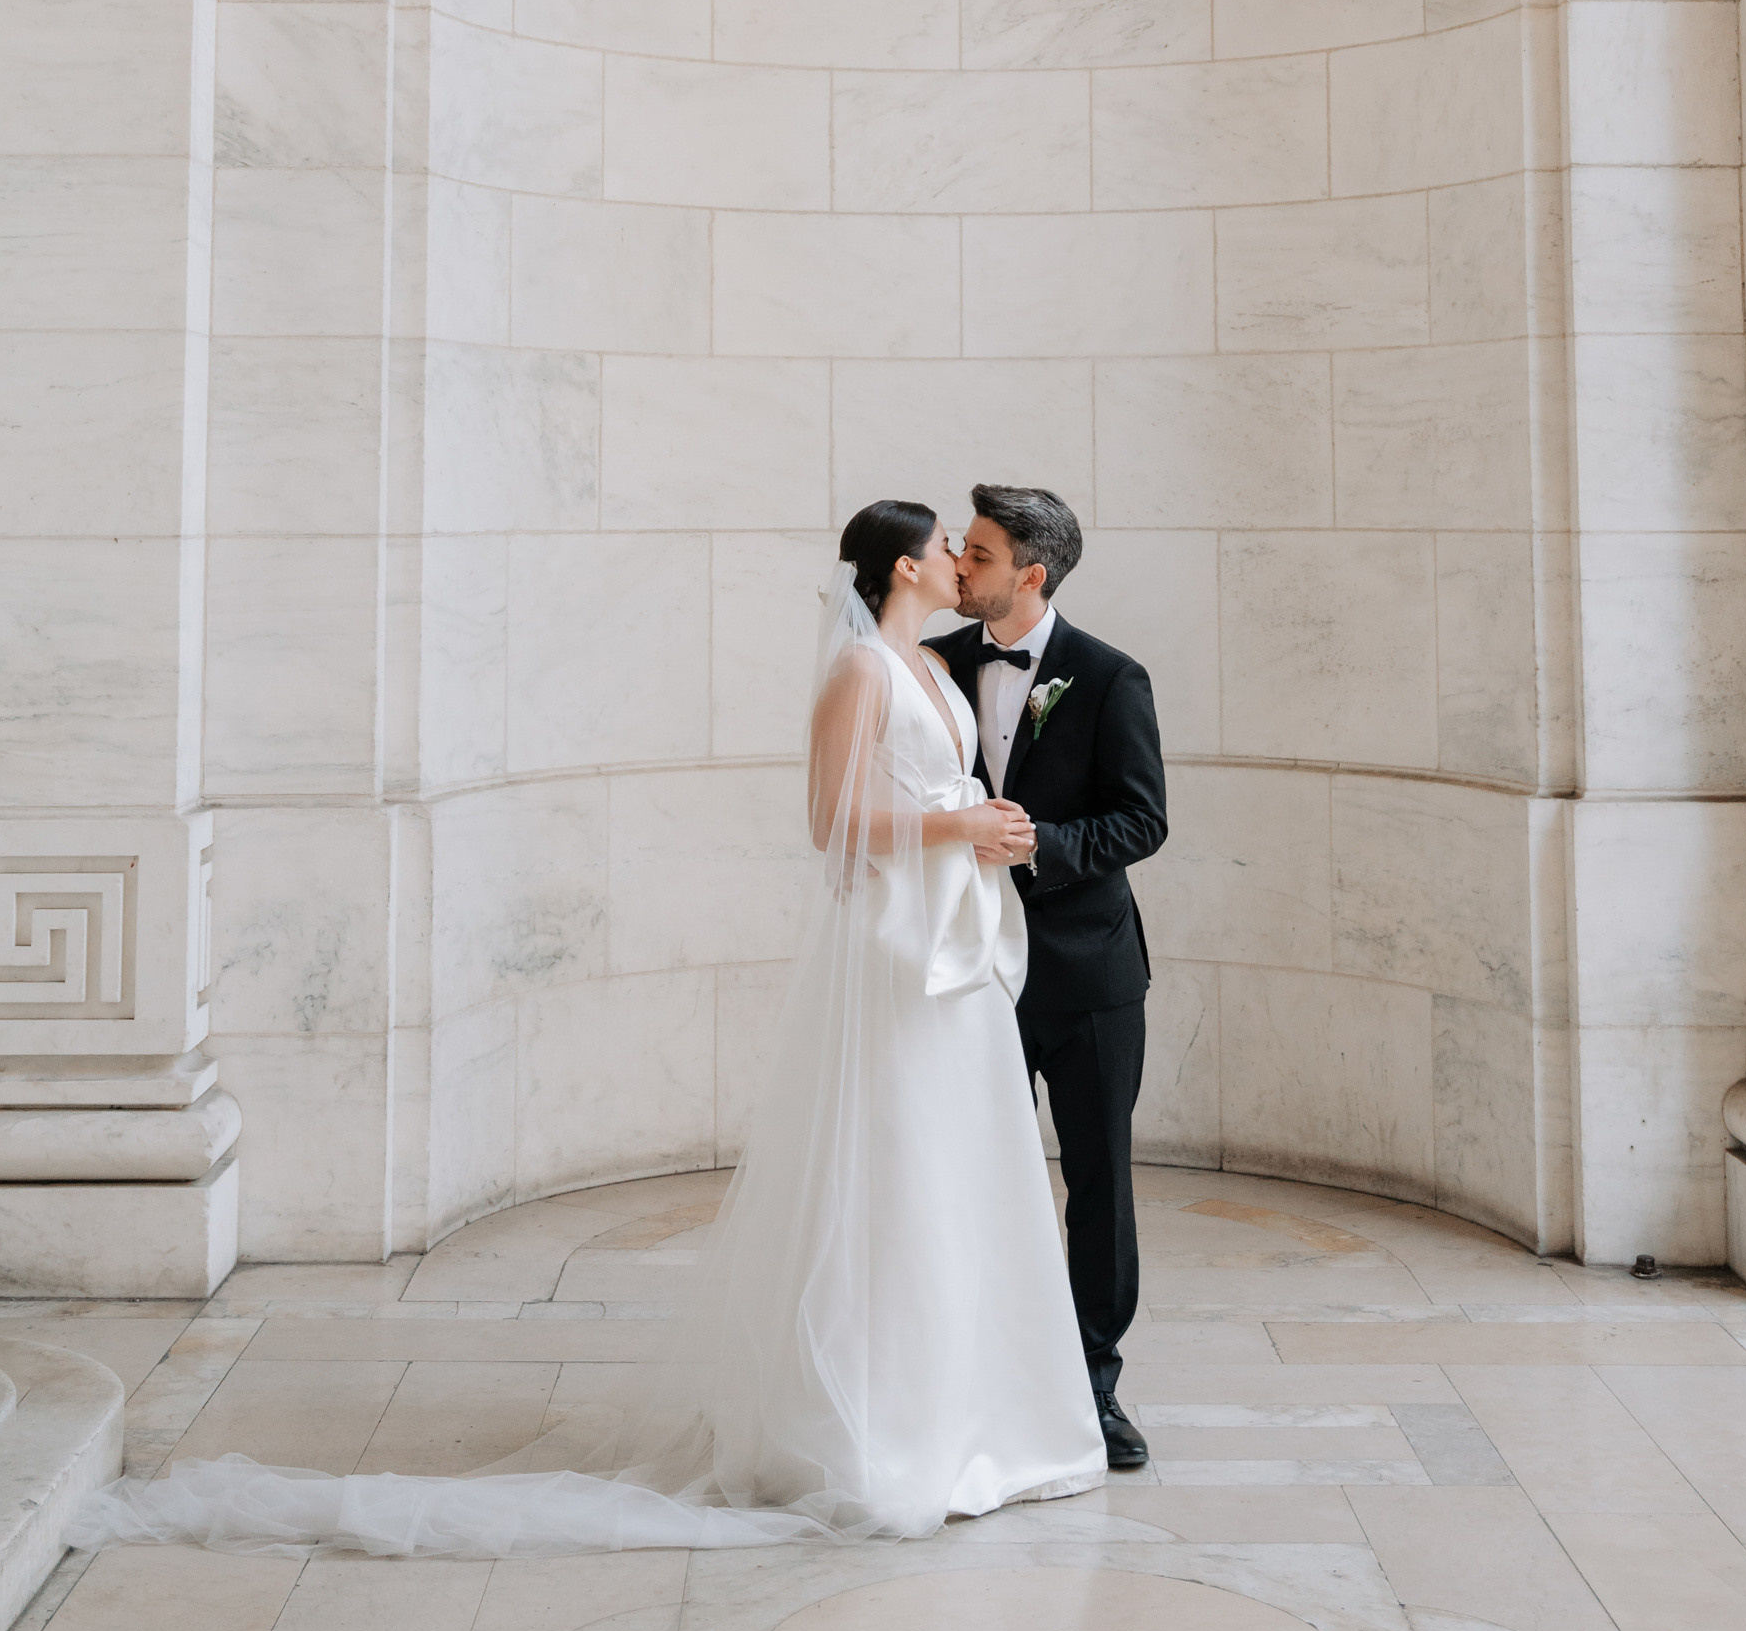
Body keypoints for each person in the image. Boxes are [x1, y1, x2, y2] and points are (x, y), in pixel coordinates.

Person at [69, 501, 1106, 1556]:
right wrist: (957, 824)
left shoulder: (933, 668)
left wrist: (984, 833)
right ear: (903, 564)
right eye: (945, 547)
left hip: (962, 949)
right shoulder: (859, 673)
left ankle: (986, 1415)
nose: (957, 562)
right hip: (896, 953)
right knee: (894, 1167)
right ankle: (878, 1428)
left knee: (964, 1167)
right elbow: (828, 821)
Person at [932, 485, 1169, 1473]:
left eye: (978, 555)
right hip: (966, 969)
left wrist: (1040, 845)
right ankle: (972, 1374)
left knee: (1098, 1184)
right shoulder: (931, 667)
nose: (959, 567)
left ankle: (1095, 1386)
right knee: (965, 1177)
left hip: (1085, 975)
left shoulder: (1110, 677)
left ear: (1030, 575)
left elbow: (1143, 819)